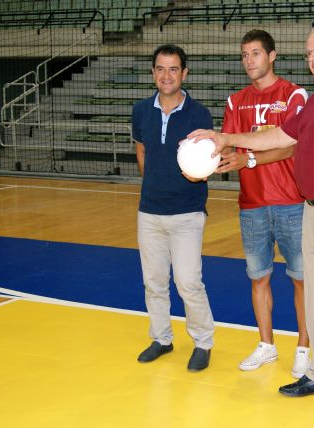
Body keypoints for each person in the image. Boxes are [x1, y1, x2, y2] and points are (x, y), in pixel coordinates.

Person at [190, 23, 314, 428]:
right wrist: (224, 138)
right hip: (313, 211)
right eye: (308, 53)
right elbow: (276, 134)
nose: (312, 59)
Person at [216, 30, 310, 378]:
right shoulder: (234, 101)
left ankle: (304, 348)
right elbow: (229, 148)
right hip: (251, 204)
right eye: (244, 55)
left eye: (255, 53)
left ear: (272, 56)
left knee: (301, 280)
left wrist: (248, 159)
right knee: (258, 277)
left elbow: (292, 145)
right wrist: (203, 156)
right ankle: (267, 345)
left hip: (292, 203)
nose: (249, 61)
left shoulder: (293, 94)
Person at [132, 44, 215, 372]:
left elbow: (206, 159)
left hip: (187, 212)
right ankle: (161, 338)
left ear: (185, 73)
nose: (167, 75)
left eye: (174, 69)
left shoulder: (199, 114)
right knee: (153, 281)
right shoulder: (140, 110)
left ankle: (203, 341)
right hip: (149, 211)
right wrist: (154, 184)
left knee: (188, 281)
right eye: (161, 69)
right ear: (153, 72)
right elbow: (142, 152)